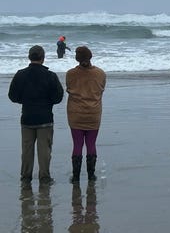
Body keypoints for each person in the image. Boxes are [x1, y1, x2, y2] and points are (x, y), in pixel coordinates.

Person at [8, 45, 64, 183]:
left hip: (27, 117)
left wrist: (24, 100)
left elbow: (12, 96)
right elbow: (58, 97)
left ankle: (26, 177)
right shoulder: (50, 76)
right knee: (44, 150)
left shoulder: (20, 74)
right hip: (45, 117)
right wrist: (48, 101)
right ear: (43, 58)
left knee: (27, 150)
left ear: (29, 57)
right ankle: (44, 177)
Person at [66, 46, 106, 183]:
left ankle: (76, 176)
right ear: (90, 57)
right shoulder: (100, 73)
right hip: (93, 113)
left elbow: (69, 89)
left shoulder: (70, 74)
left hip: (75, 113)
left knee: (77, 144)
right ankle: (91, 175)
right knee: (91, 143)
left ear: (77, 58)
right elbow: (101, 90)